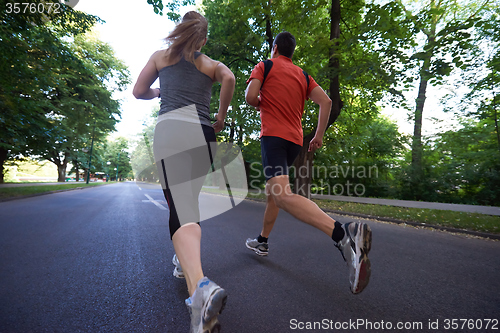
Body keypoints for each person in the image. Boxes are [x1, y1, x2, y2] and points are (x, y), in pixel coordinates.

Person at [244, 31, 372, 294]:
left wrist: (260, 103)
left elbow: (249, 96)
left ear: (275, 48)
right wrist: (318, 135)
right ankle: (263, 241)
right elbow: (325, 101)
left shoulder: (265, 65)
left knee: (281, 194)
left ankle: (343, 233)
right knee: (273, 193)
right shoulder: (302, 75)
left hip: (274, 138)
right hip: (294, 141)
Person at [133, 11, 235, 332]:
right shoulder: (208, 64)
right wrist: (219, 115)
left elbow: (138, 91)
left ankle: (200, 287)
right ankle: (185, 265)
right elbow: (230, 79)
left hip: (171, 132)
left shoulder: (161, 57)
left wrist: (157, 93)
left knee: (179, 207)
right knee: (188, 203)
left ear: (179, 32)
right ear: (203, 39)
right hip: (204, 134)